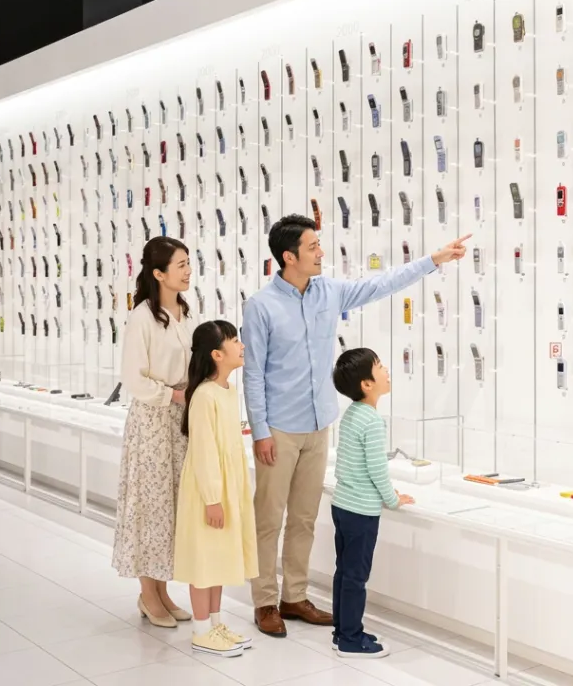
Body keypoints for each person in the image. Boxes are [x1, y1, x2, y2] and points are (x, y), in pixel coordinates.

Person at [243, 214, 468, 636]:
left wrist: (433, 260)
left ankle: (294, 596)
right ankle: (264, 601)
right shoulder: (261, 306)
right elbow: (253, 374)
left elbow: (381, 284)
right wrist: (260, 432)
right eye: (313, 247)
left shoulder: (329, 292)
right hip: (279, 429)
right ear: (289, 257)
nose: (321, 252)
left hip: (319, 425)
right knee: (268, 519)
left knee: (304, 518)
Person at [112, 237, 197, 628]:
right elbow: (133, 378)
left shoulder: (185, 311)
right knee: (151, 506)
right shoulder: (142, 317)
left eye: (188, 262)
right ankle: (148, 595)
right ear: (159, 273)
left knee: (172, 506)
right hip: (152, 421)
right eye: (180, 264)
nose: (188, 270)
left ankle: (162, 591)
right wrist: (173, 395)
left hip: (179, 421)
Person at [174, 320, 258, 658]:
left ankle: (215, 623)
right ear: (216, 354)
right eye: (235, 340)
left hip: (227, 486)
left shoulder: (227, 390)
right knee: (204, 560)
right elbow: (205, 452)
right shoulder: (204, 395)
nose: (242, 345)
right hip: (208, 490)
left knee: (219, 557)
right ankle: (200, 630)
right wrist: (212, 499)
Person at [329, 348, 413, 658]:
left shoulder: (352, 414)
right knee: (356, 576)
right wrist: (392, 499)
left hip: (342, 505)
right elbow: (377, 469)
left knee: (344, 572)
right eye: (379, 366)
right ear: (366, 384)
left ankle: (342, 631)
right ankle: (351, 639)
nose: (386, 370)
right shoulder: (373, 421)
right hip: (361, 511)